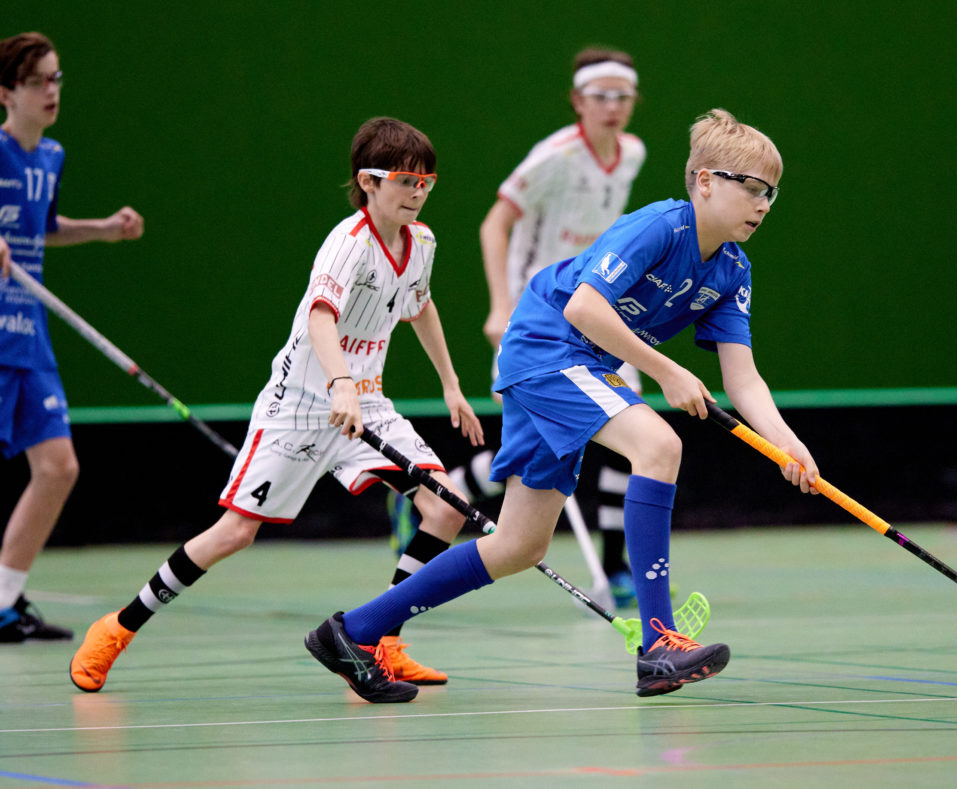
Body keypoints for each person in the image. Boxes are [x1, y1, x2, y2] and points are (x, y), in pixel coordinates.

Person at [306, 109, 820, 703]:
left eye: (771, 194)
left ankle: (353, 631)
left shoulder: (733, 270)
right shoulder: (658, 228)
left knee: (520, 546)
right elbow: (582, 308)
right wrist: (667, 371)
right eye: (751, 188)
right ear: (704, 181)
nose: (763, 204)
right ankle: (658, 644)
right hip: (548, 347)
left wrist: (786, 442)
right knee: (659, 444)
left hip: (582, 366)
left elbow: (743, 377)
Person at [69, 117, 484, 696]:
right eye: (405, 180)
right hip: (301, 408)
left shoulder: (424, 244)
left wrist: (451, 384)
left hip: (365, 404)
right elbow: (321, 316)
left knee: (447, 510)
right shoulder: (348, 244)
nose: (418, 191)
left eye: (427, 181)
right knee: (233, 533)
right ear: (368, 181)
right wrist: (339, 381)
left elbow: (421, 306)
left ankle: (379, 640)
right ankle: (117, 627)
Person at [408, 47, 644, 606]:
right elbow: (496, 223)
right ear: (577, 100)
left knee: (631, 433)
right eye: (600, 96)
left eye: (623, 96)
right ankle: (437, 496)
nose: (612, 108)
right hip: (537, 319)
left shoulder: (631, 153)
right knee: (533, 451)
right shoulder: (554, 157)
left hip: (596, 312)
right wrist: (501, 306)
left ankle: (615, 569)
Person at [0, 31, 145, 643]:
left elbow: (43, 226)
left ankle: (3, 603)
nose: (51, 91)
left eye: (56, 79)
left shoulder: (49, 156)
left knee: (58, 467)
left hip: (27, 331)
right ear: (7, 92)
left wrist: (104, 229)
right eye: (38, 82)